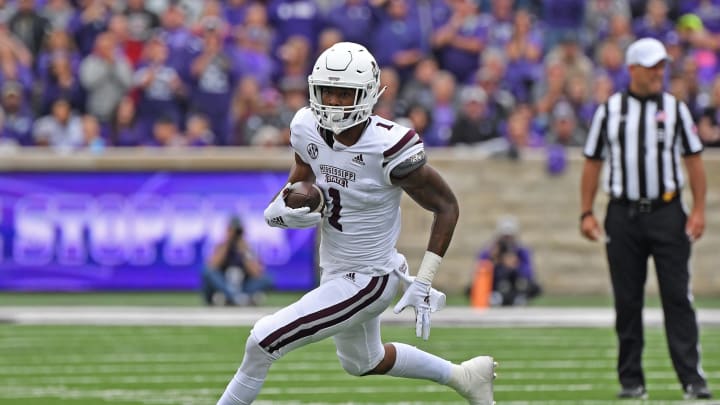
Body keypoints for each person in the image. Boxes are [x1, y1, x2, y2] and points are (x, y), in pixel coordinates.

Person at [216, 42, 496, 405]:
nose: (331, 101)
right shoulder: (305, 127)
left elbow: (446, 206)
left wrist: (425, 279)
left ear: (367, 94)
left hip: (369, 278)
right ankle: (464, 377)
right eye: (326, 91)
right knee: (364, 360)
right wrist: (280, 209)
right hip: (334, 269)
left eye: (343, 93)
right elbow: (300, 181)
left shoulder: (390, 146)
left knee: (262, 341)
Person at [580, 37, 712, 400]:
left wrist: (698, 209)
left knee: (677, 297)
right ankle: (631, 380)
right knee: (627, 300)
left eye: (662, 66)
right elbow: (592, 162)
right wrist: (587, 211)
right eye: (652, 66)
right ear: (632, 69)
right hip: (623, 214)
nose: (659, 73)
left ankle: (692, 378)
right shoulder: (610, 111)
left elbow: (694, 161)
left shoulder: (676, 109)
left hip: (668, 211)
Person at [201, 217, 272, 306]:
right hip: (223, 284)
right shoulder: (221, 246)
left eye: (238, 232)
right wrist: (227, 243)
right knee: (207, 272)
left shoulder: (247, 247)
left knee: (267, 279)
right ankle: (238, 298)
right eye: (233, 230)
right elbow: (212, 266)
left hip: (242, 286)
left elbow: (256, 273)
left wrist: (244, 252)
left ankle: (229, 298)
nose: (236, 234)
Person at [473, 216, 541, 307]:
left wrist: (516, 265)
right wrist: (494, 260)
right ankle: (497, 297)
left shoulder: (521, 251)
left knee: (533, 286)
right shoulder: (491, 251)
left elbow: (529, 273)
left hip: (514, 284)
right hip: (496, 283)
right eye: (505, 237)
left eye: (509, 237)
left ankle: (518, 298)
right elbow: (480, 271)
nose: (507, 241)